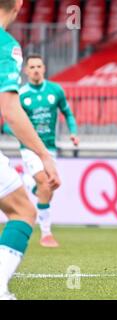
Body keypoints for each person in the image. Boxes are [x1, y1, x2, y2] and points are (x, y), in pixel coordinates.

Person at [0, 0, 60, 299]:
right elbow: (9, 109)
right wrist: (45, 155)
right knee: (22, 210)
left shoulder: (53, 91)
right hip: (33, 147)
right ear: (19, 5)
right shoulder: (5, 45)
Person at [4, 54, 79, 248]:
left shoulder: (56, 90)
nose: (36, 69)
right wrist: (23, 134)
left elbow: (68, 113)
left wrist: (74, 133)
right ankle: (46, 234)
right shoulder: (20, 95)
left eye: (39, 66)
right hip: (29, 148)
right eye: (32, 67)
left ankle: (31, 185)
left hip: (49, 148)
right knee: (46, 183)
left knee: (48, 188)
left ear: (44, 68)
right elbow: (7, 125)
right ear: (26, 71)